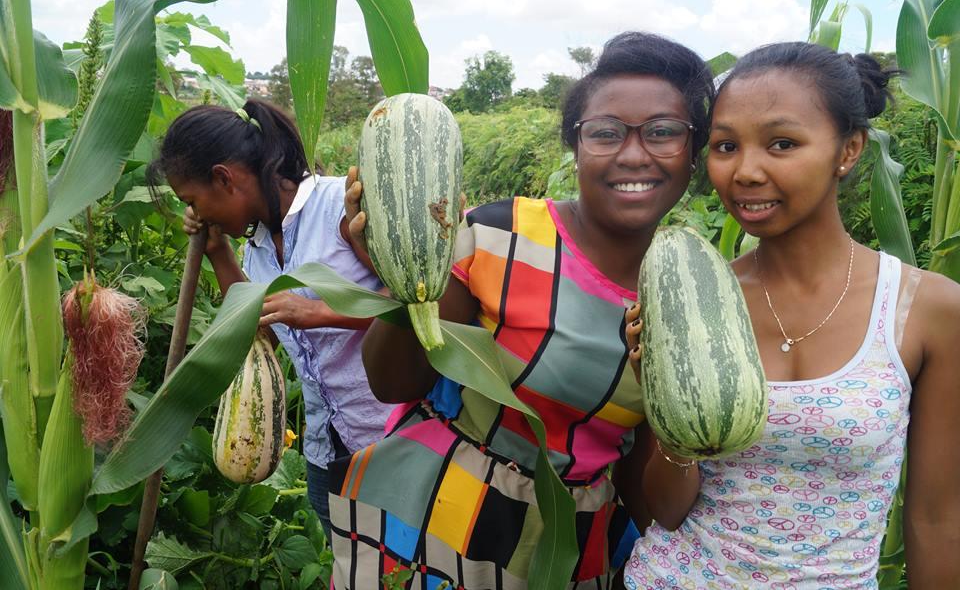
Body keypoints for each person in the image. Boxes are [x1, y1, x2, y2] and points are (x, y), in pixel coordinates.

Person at [329, 32, 715, 588]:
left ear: (693, 150)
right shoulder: (499, 233)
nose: (634, 154)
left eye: (662, 132)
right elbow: (394, 383)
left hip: (565, 545)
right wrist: (401, 277)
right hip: (431, 515)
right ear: (575, 147)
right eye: (605, 133)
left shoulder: (684, 293)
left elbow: (647, 487)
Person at [623, 42, 960, 589]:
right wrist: (670, 418)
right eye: (725, 145)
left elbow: (938, 519)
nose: (746, 171)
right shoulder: (694, 299)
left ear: (848, 150)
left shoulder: (927, 309)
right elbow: (667, 510)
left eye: (782, 143)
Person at [146, 99, 394, 539]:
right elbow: (259, 336)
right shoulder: (257, 245)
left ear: (224, 178)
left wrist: (321, 312)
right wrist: (218, 249)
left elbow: (407, 303)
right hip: (326, 450)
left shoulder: (341, 207)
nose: (196, 213)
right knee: (351, 568)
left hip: (392, 440)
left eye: (192, 200)